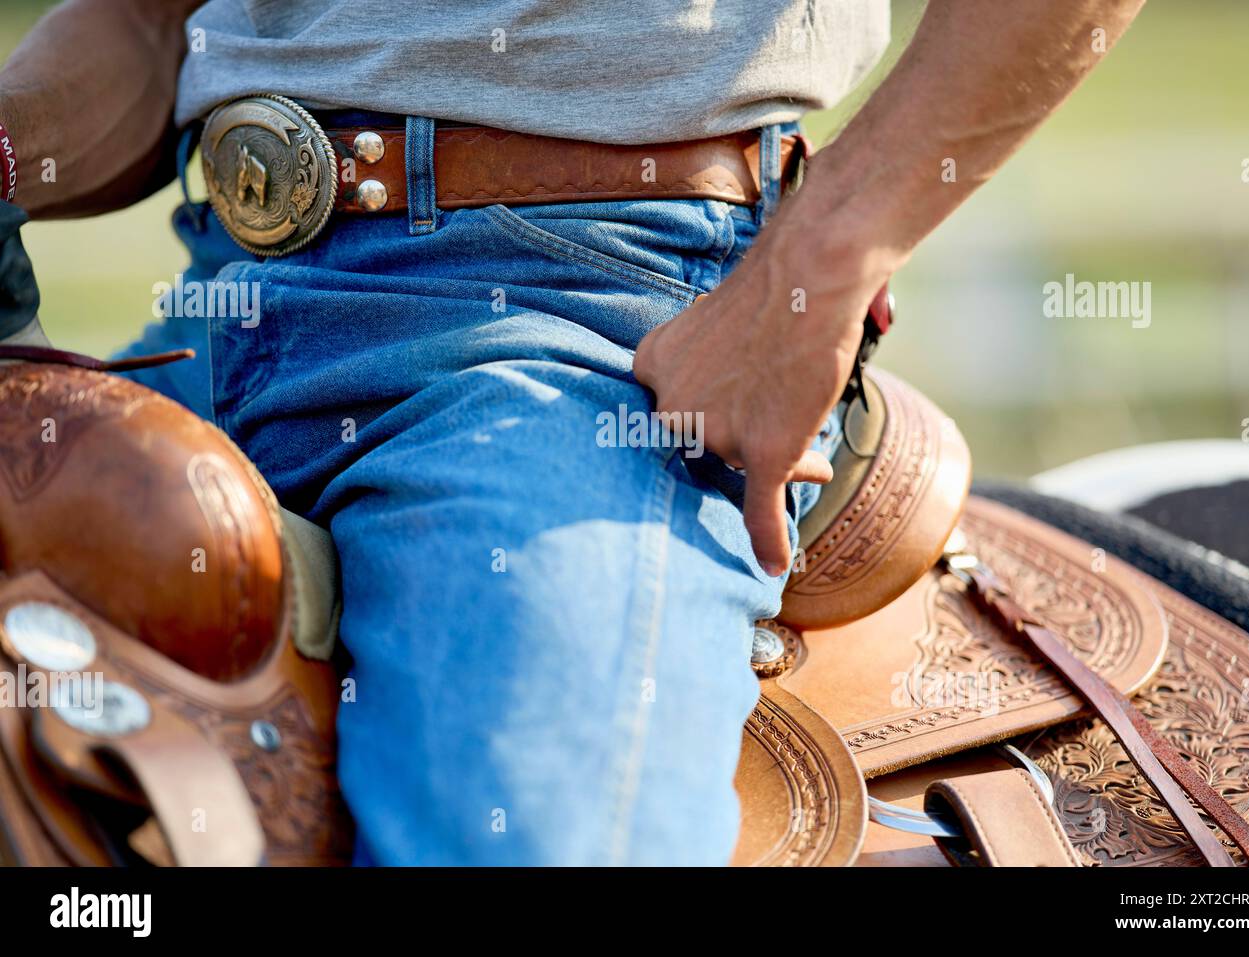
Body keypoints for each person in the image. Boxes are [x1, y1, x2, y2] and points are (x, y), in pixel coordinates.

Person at [0, 0, 1146, 865]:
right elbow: (149, 31)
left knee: (517, 836)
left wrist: (823, 258)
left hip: (597, 321)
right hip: (214, 311)